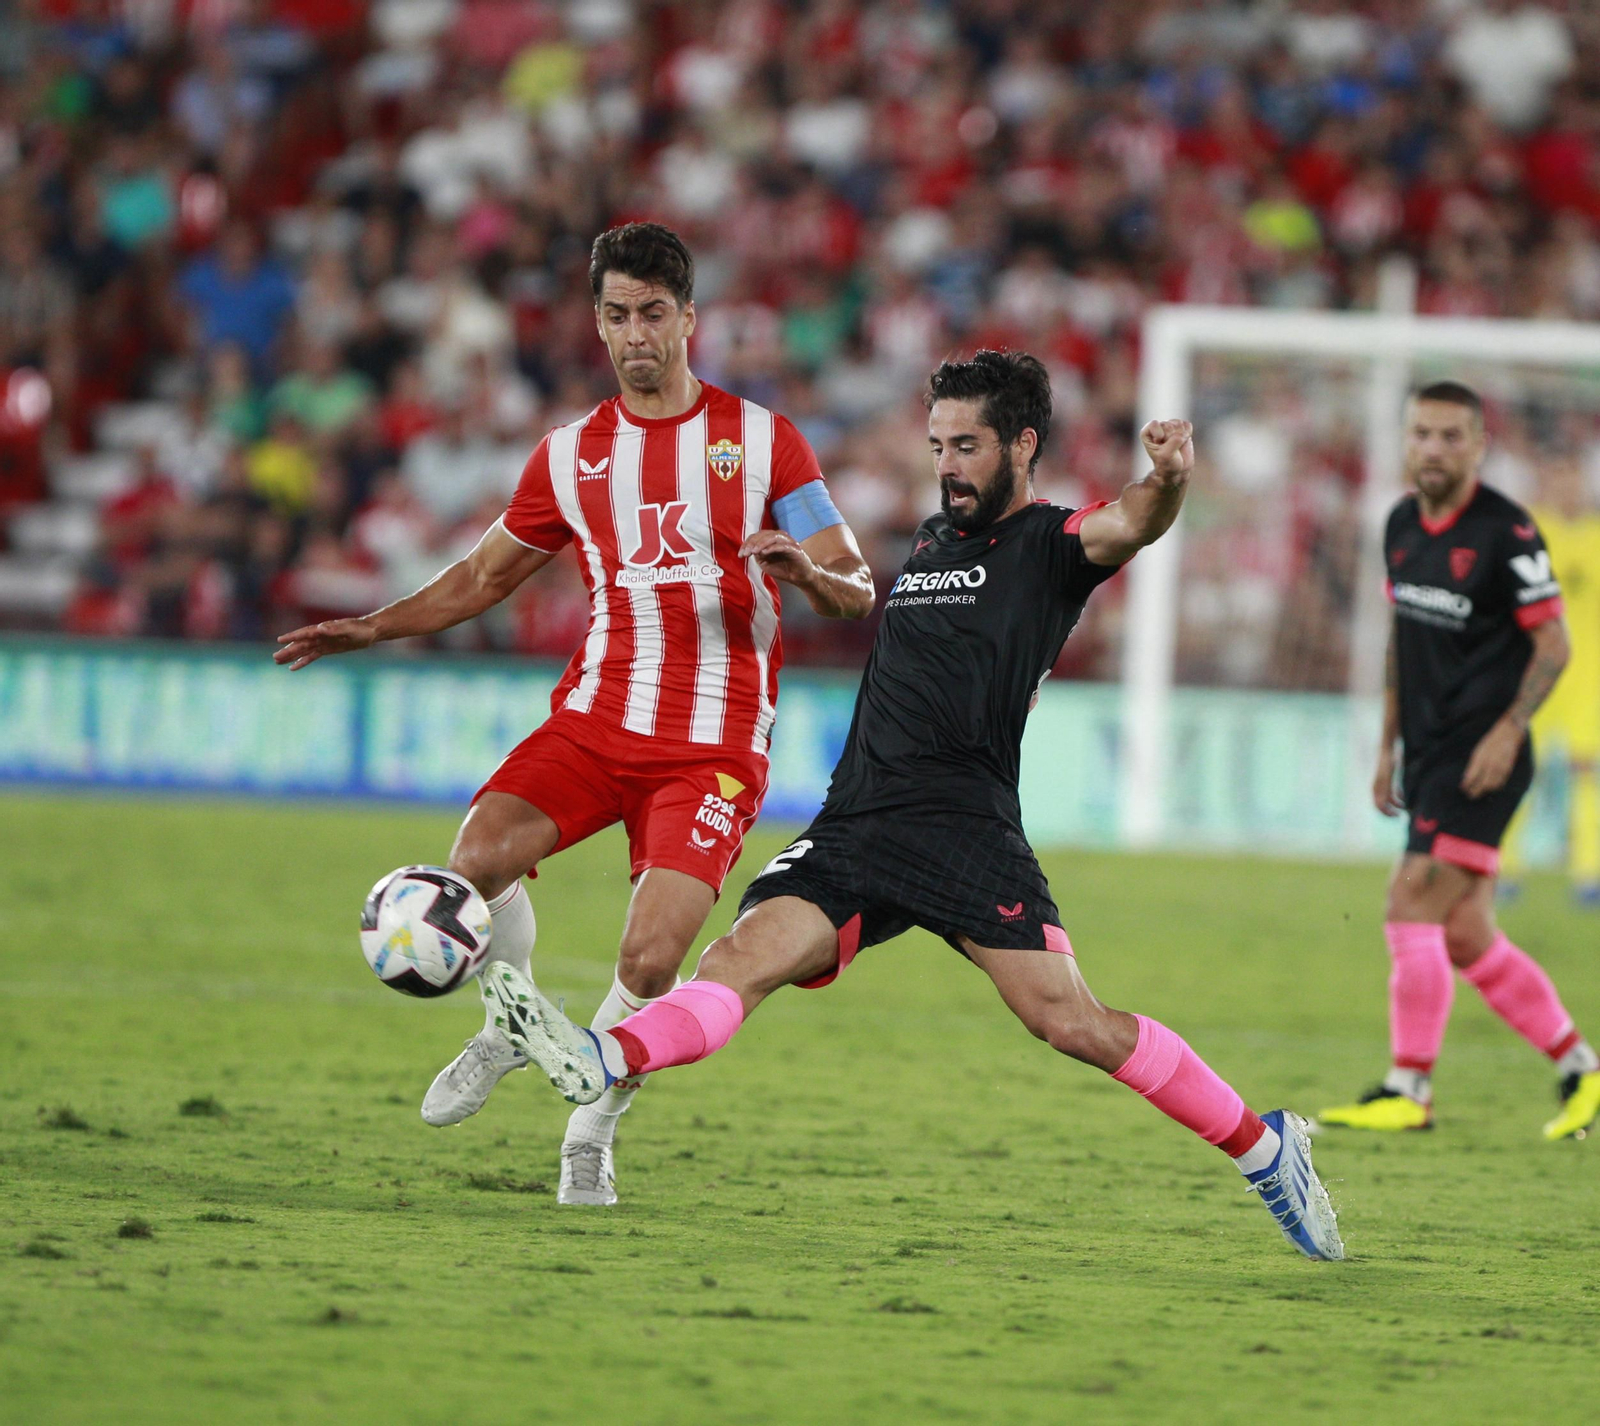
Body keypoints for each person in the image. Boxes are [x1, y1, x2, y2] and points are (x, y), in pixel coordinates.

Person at [480, 350, 1346, 1262]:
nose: (947, 466)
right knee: (741, 958)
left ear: (1022, 444)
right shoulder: (933, 543)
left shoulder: (1053, 545)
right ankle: (603, 1057)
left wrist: (1167, 479)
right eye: (937, 445)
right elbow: (854, 602)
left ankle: (1264, 1146)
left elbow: (1131, 520)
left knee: (1069, 1022)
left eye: (967, 446)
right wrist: (809, 579)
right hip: (856, 825)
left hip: (967, 834)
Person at [275, 222, 874, 1204]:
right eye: (614, 315)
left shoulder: (765, 442)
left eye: (651, 313)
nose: (634, 333)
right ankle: (510, 1023)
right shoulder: (571, 456)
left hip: (713, 749)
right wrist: (373, 627)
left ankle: (588, 1134)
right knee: (473, 860)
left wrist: (807, 573)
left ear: (689, 318)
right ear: (596, 326)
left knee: (652, 952)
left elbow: (857, 584)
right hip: (595, 721)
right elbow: (480, 577)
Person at [1319, 381, 1600, 1140]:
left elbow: (1556, 643)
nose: (1434, 449)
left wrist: (1511, 729)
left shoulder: (1507, 532)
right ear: (1407, 441)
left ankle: (1409, 1087)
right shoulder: (1402, 525)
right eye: (1422, 434)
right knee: (1466, 934)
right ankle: (1581, 1066)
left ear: (1479, 445)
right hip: (1429, 751)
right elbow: (1400, 640)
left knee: (1409, 902)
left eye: (1450, 436)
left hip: (1484, 756)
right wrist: (1386, 747)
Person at [1502, 458, 1600, 906]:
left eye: (1574, 478)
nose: (1568, 488)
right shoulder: (1528, 533)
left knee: (1588, 774)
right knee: (1518, 770)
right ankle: (1502, 869)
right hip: (1535, 672)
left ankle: (1588, 874)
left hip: (1587, 677)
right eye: (1559, 477)